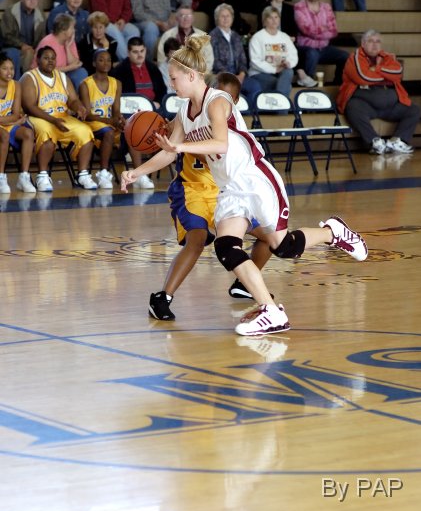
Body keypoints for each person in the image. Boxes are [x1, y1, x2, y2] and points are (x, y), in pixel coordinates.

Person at [121, 34, 368, 335]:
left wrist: (181, 147)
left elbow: (220, 143)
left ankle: (333, 232)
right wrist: (136, 172)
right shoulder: (184, 113)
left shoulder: (218, 101)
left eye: (174, 78)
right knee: (226, 247)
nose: (171, 84)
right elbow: (168, 152)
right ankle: (271, 311)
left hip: (254, 180)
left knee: (284, 246)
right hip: (230, 189)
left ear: (191, 75)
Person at [147, 72, 273, 320]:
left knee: (270, 237)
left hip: (226, 193)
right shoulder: (190, 114)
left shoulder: (233, 128)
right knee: (197, 238)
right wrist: (147, 130)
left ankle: (244, 284)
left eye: (227, 98)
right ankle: (162, 298)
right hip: (191, 189)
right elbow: (163, 132)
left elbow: (220, 154)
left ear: (234, 103)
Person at [21, 45, 98, 191]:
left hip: (62, 117)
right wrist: (53, 120)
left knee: (85, 131)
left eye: (53, 58)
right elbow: (29, 106)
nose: (50, 61)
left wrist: (79, 107)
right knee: (47, 132)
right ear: (38, 60)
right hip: (38, 117)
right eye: (46, 58)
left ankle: (82, 174)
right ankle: (42, 176)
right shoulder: (29, 77)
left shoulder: (62, 77)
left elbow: (72, 100)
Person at [337, 29, 420, 155]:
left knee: (413, 109)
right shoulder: (354, 58)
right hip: (365, 105)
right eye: (371, 41)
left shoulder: (387, 57)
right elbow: (363, 77)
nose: (375, 45)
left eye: (378, 42)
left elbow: (397, 73)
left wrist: (376, 69)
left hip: (389, 105)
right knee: (352, 107)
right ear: (363, 44)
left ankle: (398, 141)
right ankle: (374, 142)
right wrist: (386, 77)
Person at [110, 36, 167, 189]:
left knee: (171, 129)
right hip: (130, 113)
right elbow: (116, 97)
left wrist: (157, 102)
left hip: (153, 112)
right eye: (135, 52)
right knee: (135, 130)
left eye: (142, 51)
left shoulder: (153, 68)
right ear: (128, 53)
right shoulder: (120, 70)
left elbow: (162, 91)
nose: (139, 55)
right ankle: (140, 175)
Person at [79, 49, 125, 189]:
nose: (106, 63)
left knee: (131, 130)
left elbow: (116, 110)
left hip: (108, 124)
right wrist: (110, 121)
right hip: (92, 124)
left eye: (109, 60)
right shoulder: (85, 84)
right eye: (101, 60)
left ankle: (140, 175)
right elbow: (87, 114)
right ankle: (103, 173)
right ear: (94, 63)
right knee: (108, 132)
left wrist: (119, 120)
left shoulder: (117, 83)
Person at [294, 0, 349, 85]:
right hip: (306, 48)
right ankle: (307, 82)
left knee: (345, 56)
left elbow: (334, 31)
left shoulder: (326, 7)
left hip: (324, 48)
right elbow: (306, 30)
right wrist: (323, 29)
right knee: (312, 53)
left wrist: (316, 30)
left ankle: (338, 83)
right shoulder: (299, 7)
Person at [0, 52, 36, 194]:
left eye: (11, 68)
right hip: (6, 125)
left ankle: (24, 177)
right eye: (4, 68)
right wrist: (13, 121)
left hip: (8, 123)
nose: (9, 72)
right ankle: (1, 177)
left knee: (28, 133)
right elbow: (14, 118)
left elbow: (15, 114)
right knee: (4, 136)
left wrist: (14, 121)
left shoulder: (16, 85)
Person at [248, 6, 298, 96]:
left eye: (276, 17)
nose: (274, 20)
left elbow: (293, 55)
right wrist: (274, 69)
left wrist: (288, 63)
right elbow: (255, 61)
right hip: (260, 73)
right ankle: (282, 102)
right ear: (264, 21)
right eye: (270, 18)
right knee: (284, 85)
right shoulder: (257, 37)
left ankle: (280, 102)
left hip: (281, 72)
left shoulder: (284, 37)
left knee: (289, 71)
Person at [33, 13, 88, 90]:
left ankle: (78, 97)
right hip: (44, 75)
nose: (74, 30)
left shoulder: (69, 40)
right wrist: (70, 67)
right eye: (72, 28)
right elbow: (47, 69)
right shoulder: (47, 42)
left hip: (63, 73)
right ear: (64, 30)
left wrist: (67, 47)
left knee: (81, 72)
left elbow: (75, 63)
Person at [0, 0, 46, 73]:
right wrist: (22, 45)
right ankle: (25, 78)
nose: (32, 0)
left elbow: (43, 36)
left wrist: (39, 49)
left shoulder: (40, 13)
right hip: (13, 47)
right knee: (27, 53)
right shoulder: (11, 11)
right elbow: (6, 36)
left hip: (33, 48)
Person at [156, 6, 214, 74]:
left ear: (193, 18)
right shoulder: (167, 35)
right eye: (182, 16)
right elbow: (161, 59)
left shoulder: (203, 36)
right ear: (177, 18)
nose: (186, 19)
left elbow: (209, 60)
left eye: (189, 16)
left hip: (199, 74)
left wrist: (199, 75)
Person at [209, 4, 248, 86]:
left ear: (232, 18)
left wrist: (242, 74)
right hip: (221, 76)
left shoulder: (236, 36)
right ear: (217, 18)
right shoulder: (212, 36)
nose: (225, 18)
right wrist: (231, 77)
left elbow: (242, 59)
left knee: (255, 87)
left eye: (228, 16)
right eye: (222, 16)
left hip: (238, 76)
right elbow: (215, 61)